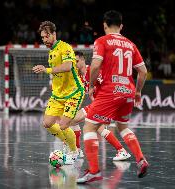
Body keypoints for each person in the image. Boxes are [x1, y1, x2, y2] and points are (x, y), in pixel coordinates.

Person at [77, 10, 149, 183]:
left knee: (89, 128)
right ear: (121, 26)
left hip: (110, 91)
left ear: (104, 25)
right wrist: (138, 91)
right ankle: (140, 159)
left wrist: (92, 85)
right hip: (128, 92)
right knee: (123, 126)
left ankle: (94, 171)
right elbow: (143, 71)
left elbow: (94, 66)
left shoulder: (101, 41)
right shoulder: (131, 44)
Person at [32, 21, 85, 165]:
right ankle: (68, 141)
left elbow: (67, 66)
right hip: (58, 94)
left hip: (74, 92)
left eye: (46, 36)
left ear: (54, 34)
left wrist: (46, 69)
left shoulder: (65, 47)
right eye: (42, 37)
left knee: (63, 125)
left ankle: (74, 151)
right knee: (47, 123)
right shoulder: (51, 52)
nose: (44, 40)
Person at [70, 51, 131, 161]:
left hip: (104, 103)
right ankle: (121, 150)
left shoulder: (93, 71)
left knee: (74, 120)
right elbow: (82, 94)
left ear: (83, 60)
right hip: (97, 104)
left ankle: (77, 150)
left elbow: (108, 85)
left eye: (77, 61)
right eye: (73, 62)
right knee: (98, 128)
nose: (75, 64)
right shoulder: (78, 76)